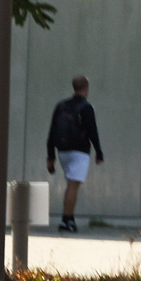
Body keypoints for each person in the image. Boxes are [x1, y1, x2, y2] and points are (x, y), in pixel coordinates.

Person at [44, 75, 105, 233]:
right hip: (79, 152)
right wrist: (99, 152)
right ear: (86, 88)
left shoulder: (61, 106)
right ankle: (67, 220)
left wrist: (50, 157)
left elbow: (52, 131)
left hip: (62, 151)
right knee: (73, 186)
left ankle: (68, 218)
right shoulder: (86, 107)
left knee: (70, 185)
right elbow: (93, 131)